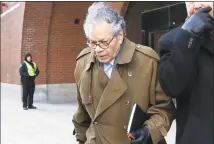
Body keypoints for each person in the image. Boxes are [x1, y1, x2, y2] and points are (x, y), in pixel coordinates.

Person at [72, 2, 175, 144]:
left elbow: (164, 109)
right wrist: (81, 139)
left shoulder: (147, 61)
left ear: (119, 36)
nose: (98, 49)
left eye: (104, 42)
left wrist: (148, 131)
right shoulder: (83, 63)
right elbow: (81, 116)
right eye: (92, 42)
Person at [158, 2, 214, 144]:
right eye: (190, 1)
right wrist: (189, 35)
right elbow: (172, 86)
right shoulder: (172, 40)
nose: (196, 5)